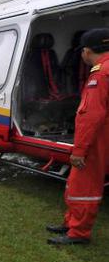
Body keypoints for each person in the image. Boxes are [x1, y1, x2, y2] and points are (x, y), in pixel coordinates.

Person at [47, 28, 109, 245]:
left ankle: (79, 233)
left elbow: (90, 115)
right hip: (101, 136)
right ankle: (71, 222)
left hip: (97, 139)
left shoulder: (100, 73)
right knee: (77, 183)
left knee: (84, 186)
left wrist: (80, 149)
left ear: (87, 51)